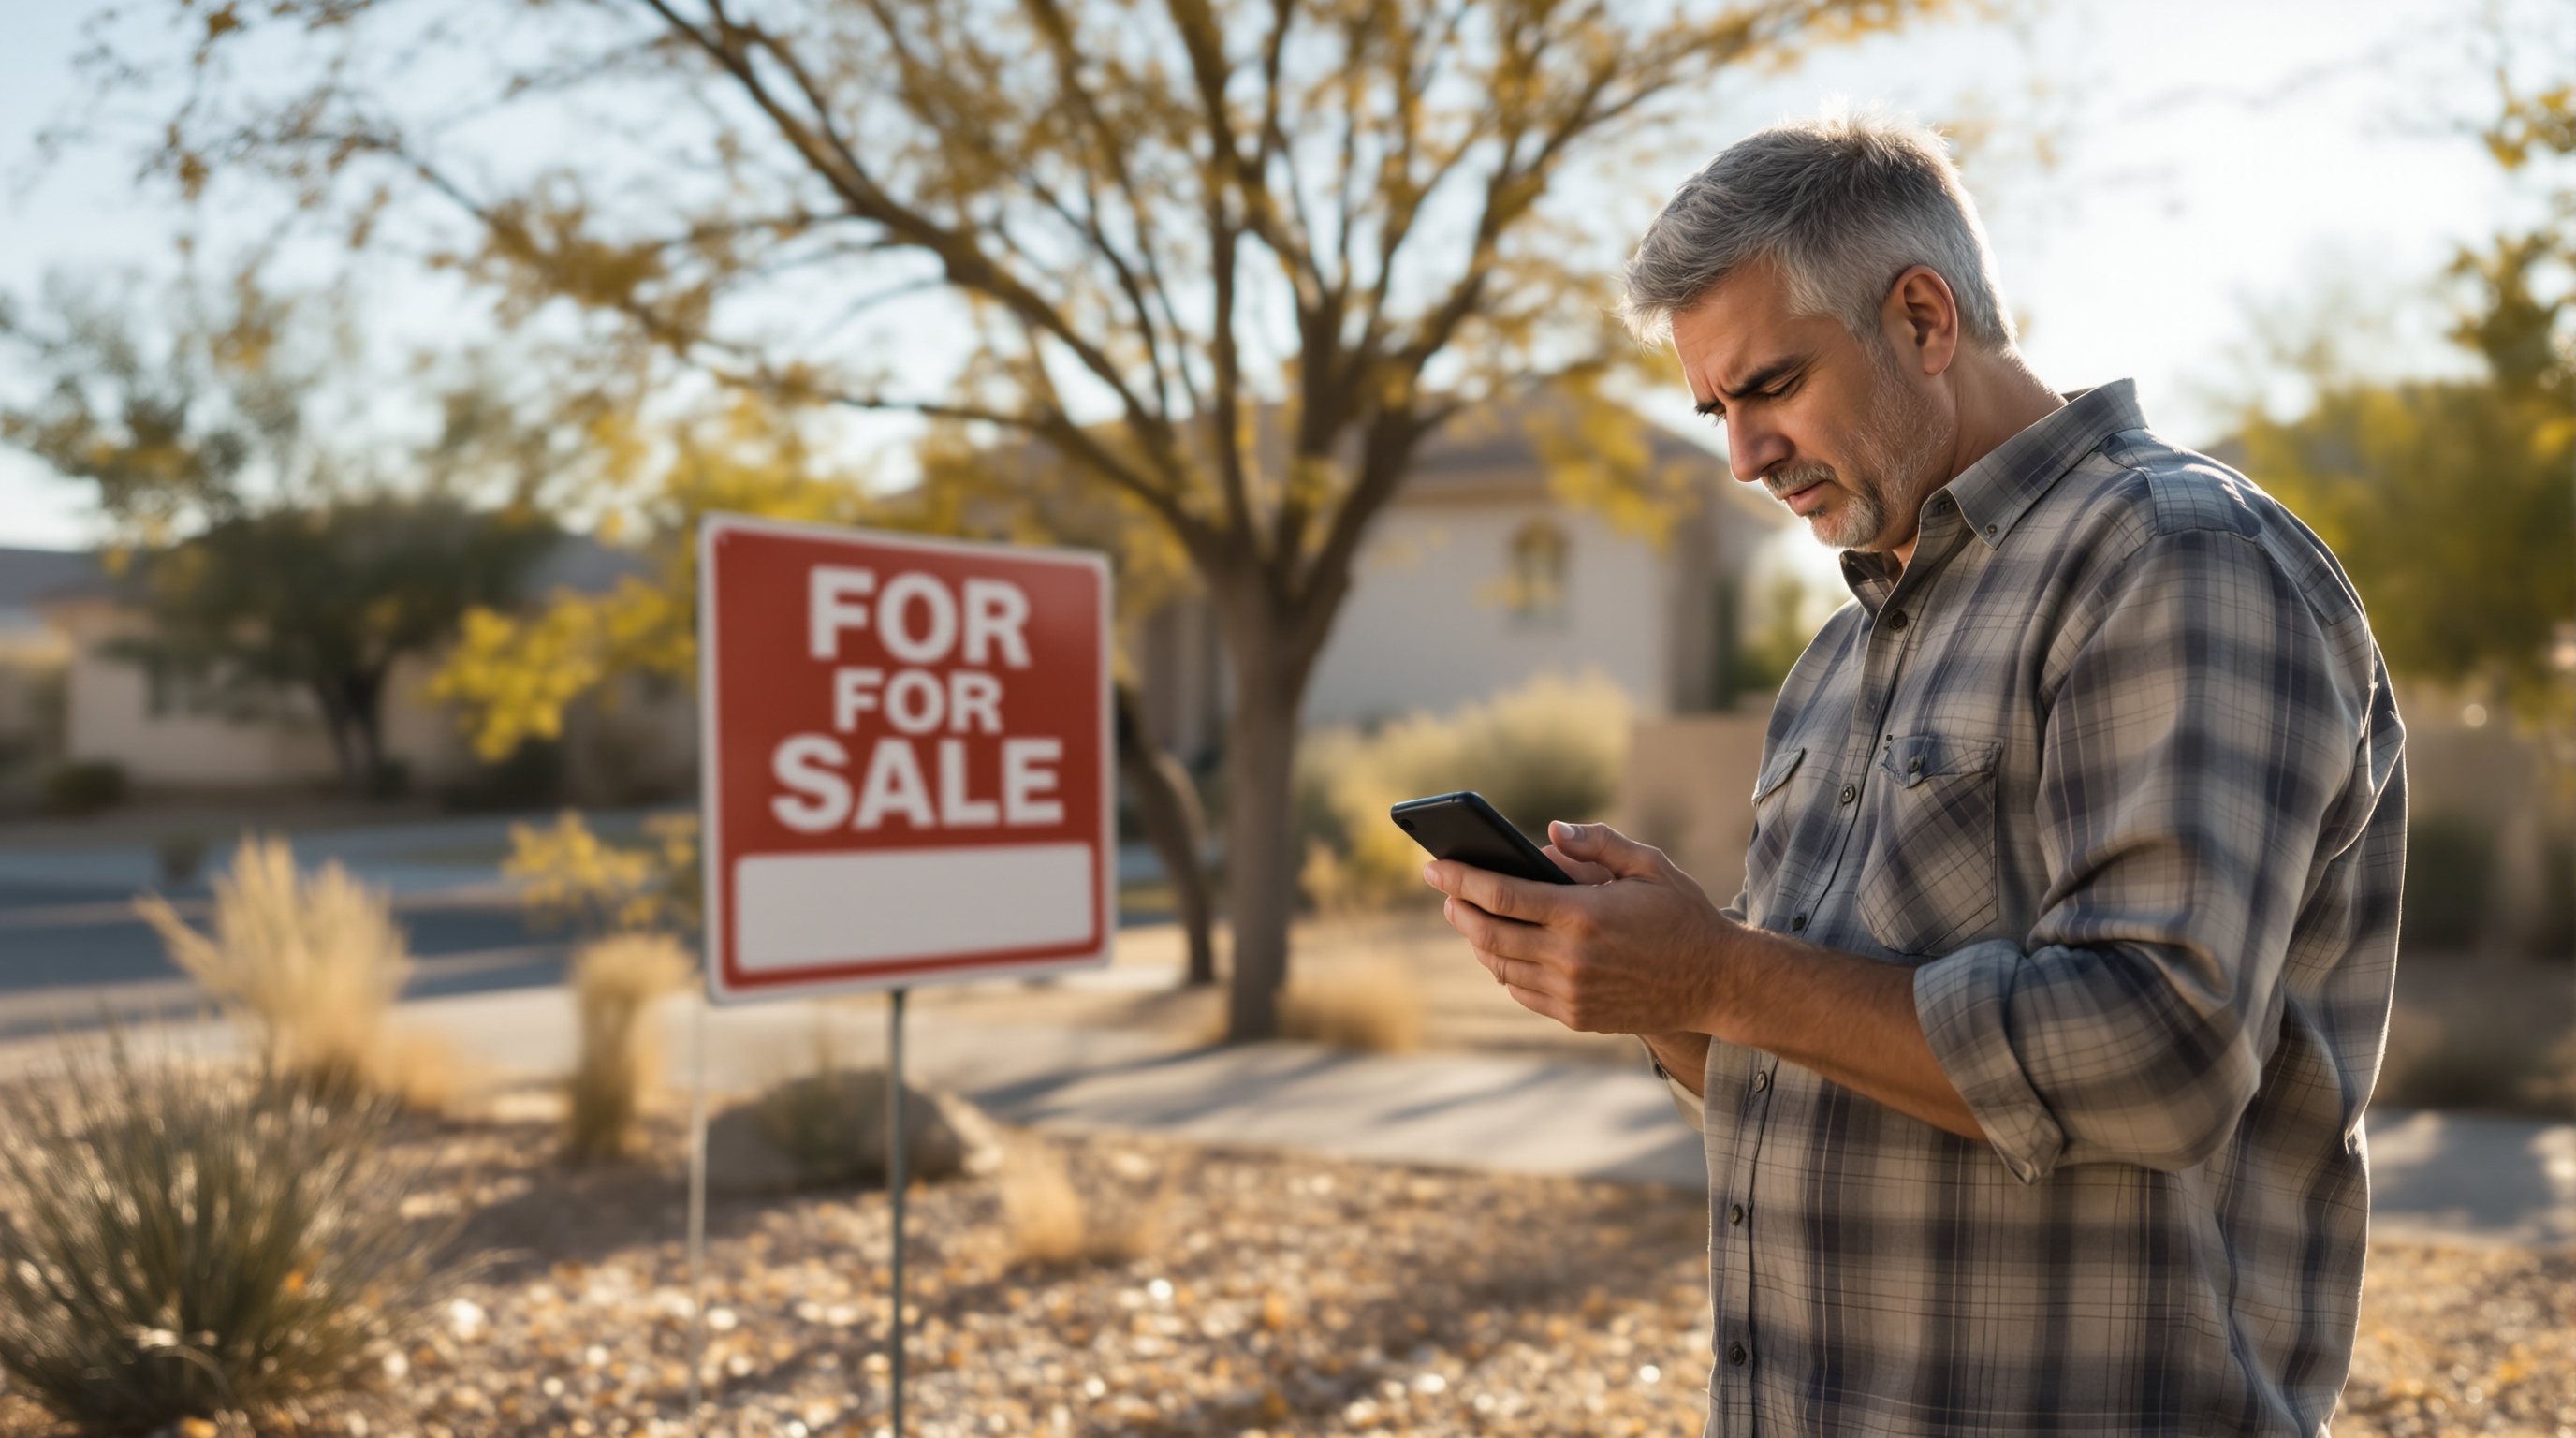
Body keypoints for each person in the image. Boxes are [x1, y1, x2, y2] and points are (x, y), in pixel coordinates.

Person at [1421, 110, 2403, 1437]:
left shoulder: (2175, 559)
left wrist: (1720, 971)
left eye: (1768, 386)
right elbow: (1819, 1077)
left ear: (1925, 319)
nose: (1740, 456)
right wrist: (1661, 997)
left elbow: (2159, 1053)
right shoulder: (1838, 656)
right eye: (1714, 409)